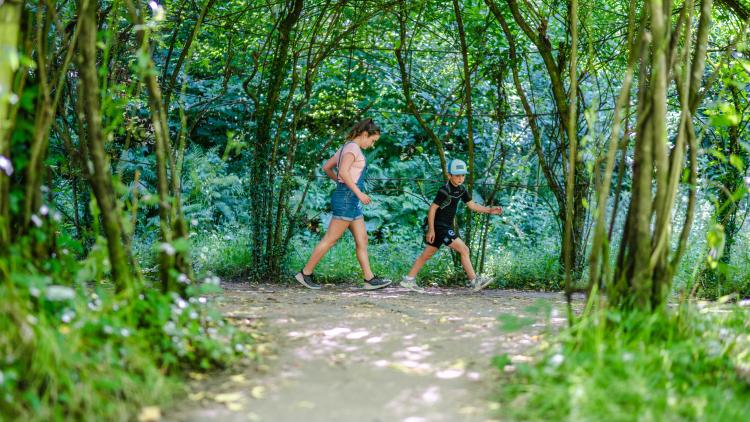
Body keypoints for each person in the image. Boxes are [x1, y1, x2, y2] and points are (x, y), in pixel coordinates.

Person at [295, 118, 391, 290]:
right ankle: (305, 273)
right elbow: (344, 172)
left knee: (362, 239)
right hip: (348, 199)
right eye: (372, 140)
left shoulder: (346, 147)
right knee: (330, 239)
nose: (372, 144)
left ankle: (369, 279)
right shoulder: (352, 149)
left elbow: (327, 168)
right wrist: (358, 193)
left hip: (349, 200)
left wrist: (341, 185)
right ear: (364, 134)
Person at [400, 159, 502, 292]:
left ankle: (408, 280)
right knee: (464, 249)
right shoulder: (445, 190)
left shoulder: (461, 190)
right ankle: (474, 281)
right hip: (440, 227)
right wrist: (431, 229)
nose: (460, 178)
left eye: (463, 175)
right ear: (449, 175)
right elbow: (432, 209)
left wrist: (489, 210)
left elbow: (472, 205)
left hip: (444, 226)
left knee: (427, 254)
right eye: (457, 175)